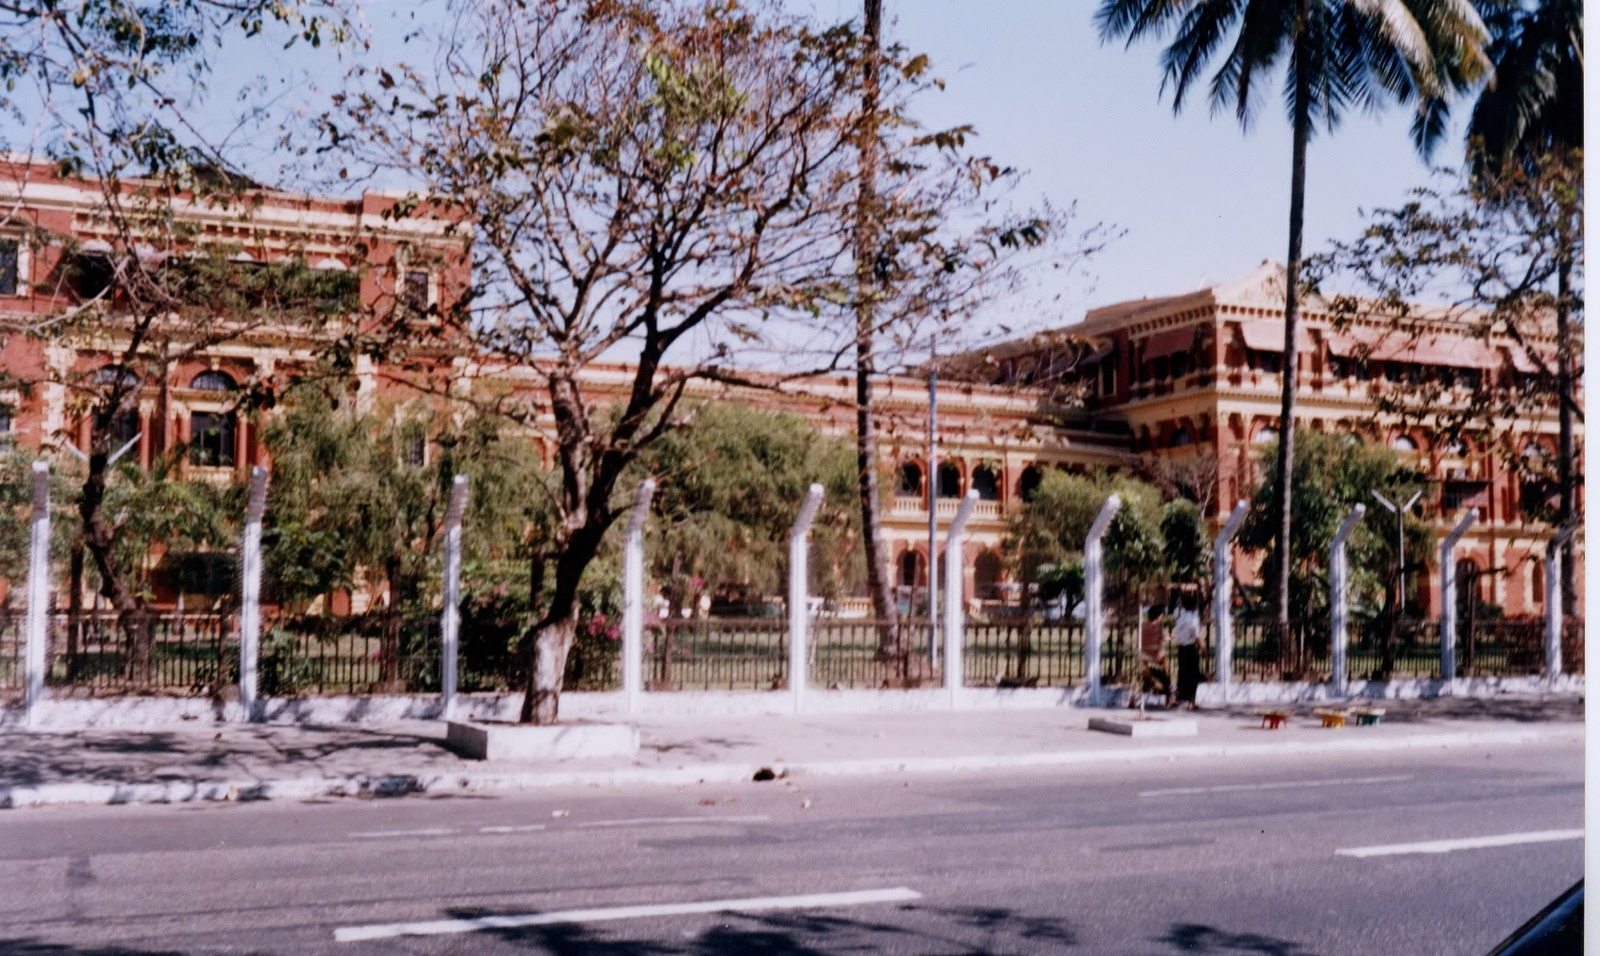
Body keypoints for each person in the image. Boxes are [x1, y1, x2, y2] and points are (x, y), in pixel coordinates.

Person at [1172, 595, 1201, 710]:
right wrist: (1204, 651)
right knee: (1193, 676)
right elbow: (1197, 636)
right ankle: (1191, 701)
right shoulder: (1194, 619)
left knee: (1183, 674)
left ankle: (1179, 698)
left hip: (1181, 648)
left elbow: (1177, 634)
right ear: (1194, 606)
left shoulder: (1180, 618)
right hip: (1190, 648)